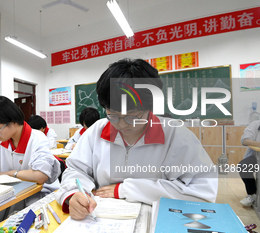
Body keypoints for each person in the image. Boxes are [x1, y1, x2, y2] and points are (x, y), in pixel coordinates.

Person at [55, 58, 218, 220]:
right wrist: (74, 194)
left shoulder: (176, 136)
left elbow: (202, 193)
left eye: (131, 117)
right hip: (101, 219)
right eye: (113, 115)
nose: (121, 124)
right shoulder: (97, 131)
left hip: (158, 221)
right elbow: (76, 170)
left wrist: (127, 190)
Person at [238, 120, 260, 206]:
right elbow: (244, 140)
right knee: (243, 166)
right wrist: (258, 143)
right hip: (257, 157)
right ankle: (252, 194)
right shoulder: (256, 124)